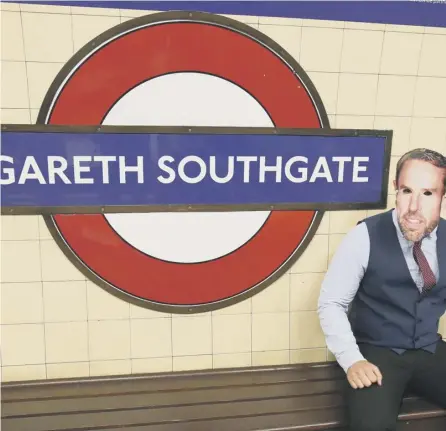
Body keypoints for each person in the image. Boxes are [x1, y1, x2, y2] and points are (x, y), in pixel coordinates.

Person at [317, 148, 446, 431]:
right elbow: (331, 304)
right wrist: (352, 360)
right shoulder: (364, 236)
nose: (414, 206)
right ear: (395, 191)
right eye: (406, 190)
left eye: (428, 194)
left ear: (442, 196)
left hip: (429, 348)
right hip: (375, 353)